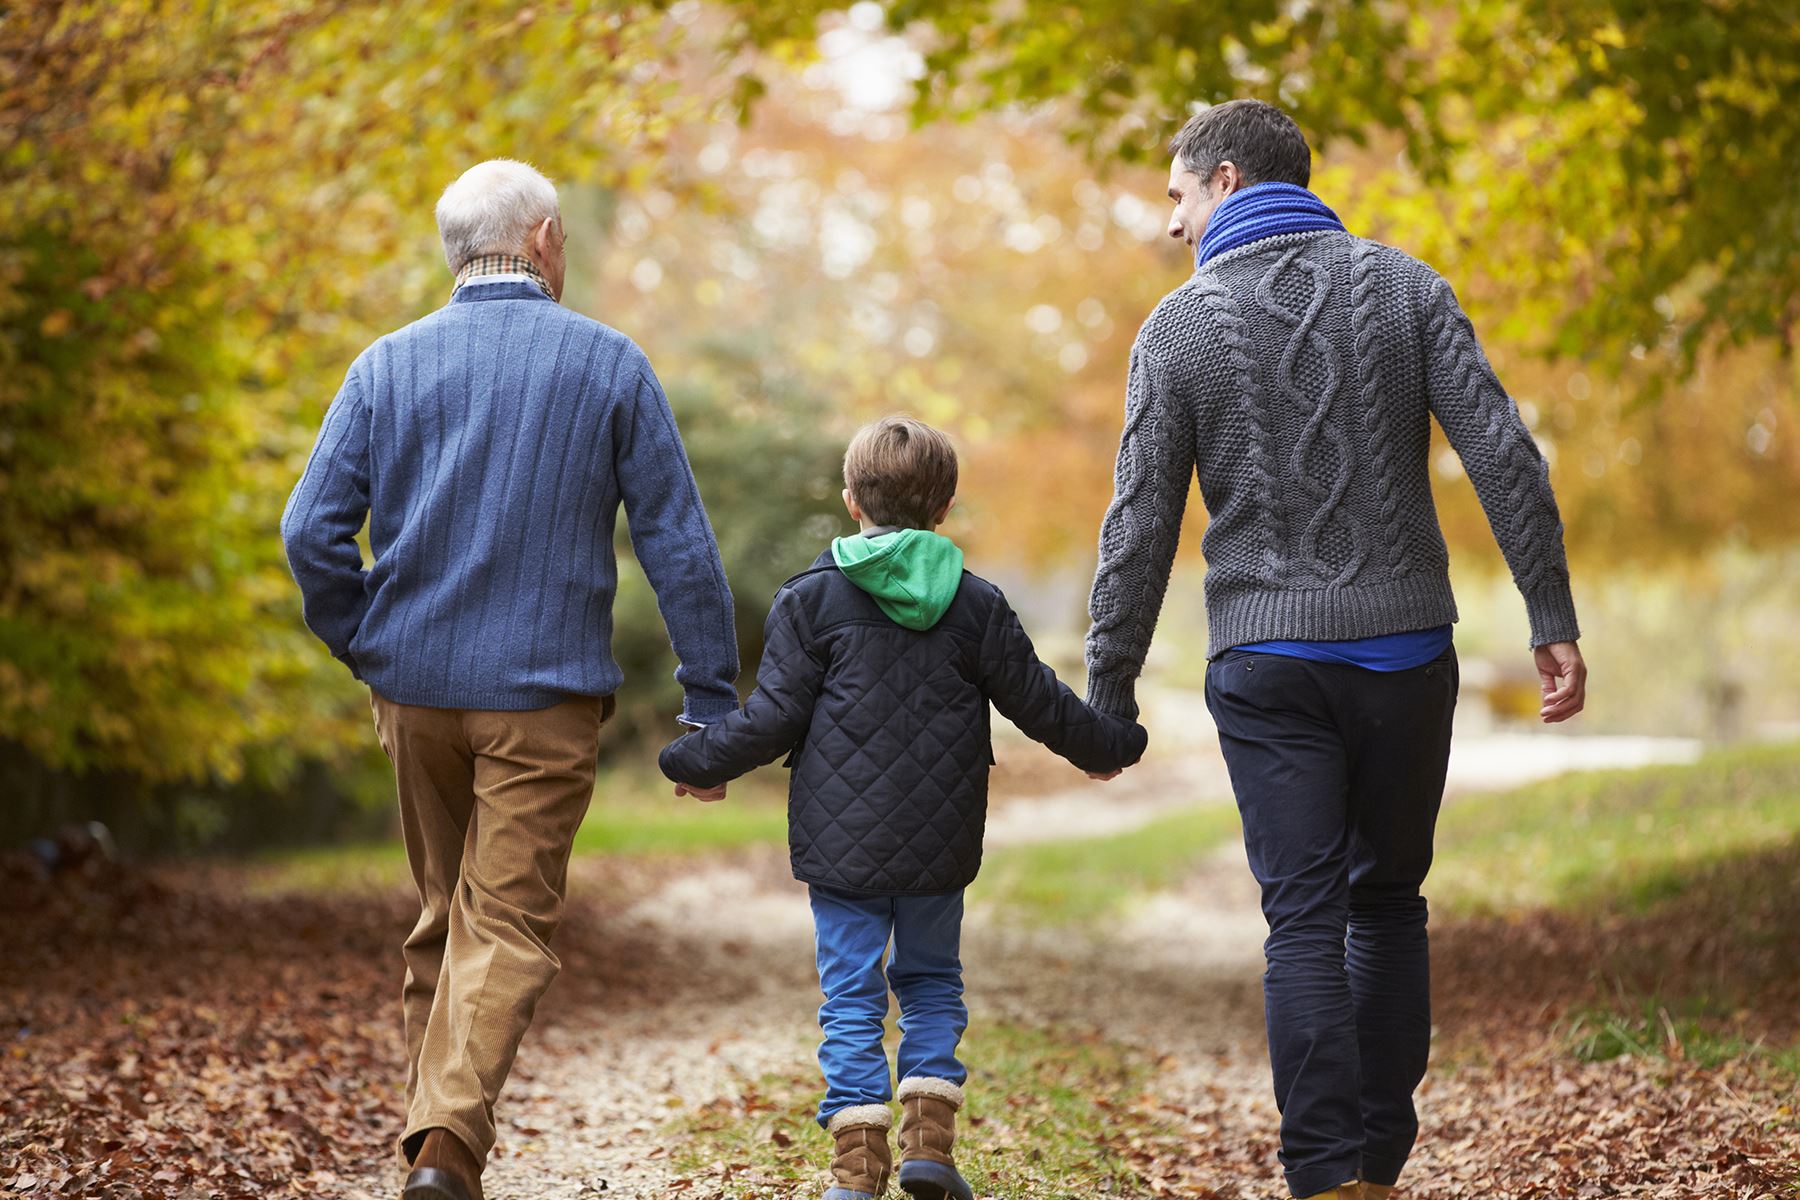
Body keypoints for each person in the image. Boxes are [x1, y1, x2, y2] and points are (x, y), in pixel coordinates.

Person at [1082, 100, 1589, 1200]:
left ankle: (1326, 1178)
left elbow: (1139, 523)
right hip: (1407, 651)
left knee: (1302, 918)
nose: (1172, 225)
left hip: (1267, 662)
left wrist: (1108, 690)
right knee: (1388, 902)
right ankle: (1378, 1159)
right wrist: (1550, 618)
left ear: (1223, 179)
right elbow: (1505, 454)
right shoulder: (1408, 288)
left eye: (1175, 195)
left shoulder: (1179, 327)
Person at [280, 159, 739, 1200]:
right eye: (565, 238)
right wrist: (710, 702)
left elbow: (308, 531)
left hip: (415, 694)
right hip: (542, 698)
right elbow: (678, 543)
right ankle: (443, 1149)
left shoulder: (385, 367)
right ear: (539, 239)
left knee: (446, 916)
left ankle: (433, 1158)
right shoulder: (610, 365)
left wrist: (367, 641)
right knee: (508, 927)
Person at [660, 416, 1146, 1200]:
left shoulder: (811, 602)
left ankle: (856, 1167)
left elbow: (773, 716)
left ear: (851, 500)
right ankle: (928, 1144)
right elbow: (1041, 702)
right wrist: (1107, 746)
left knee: (851, 992)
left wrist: (695, 761)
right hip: (939, 840)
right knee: (929, 982)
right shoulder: (976, 605)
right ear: (945, 507)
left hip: (839, 840)